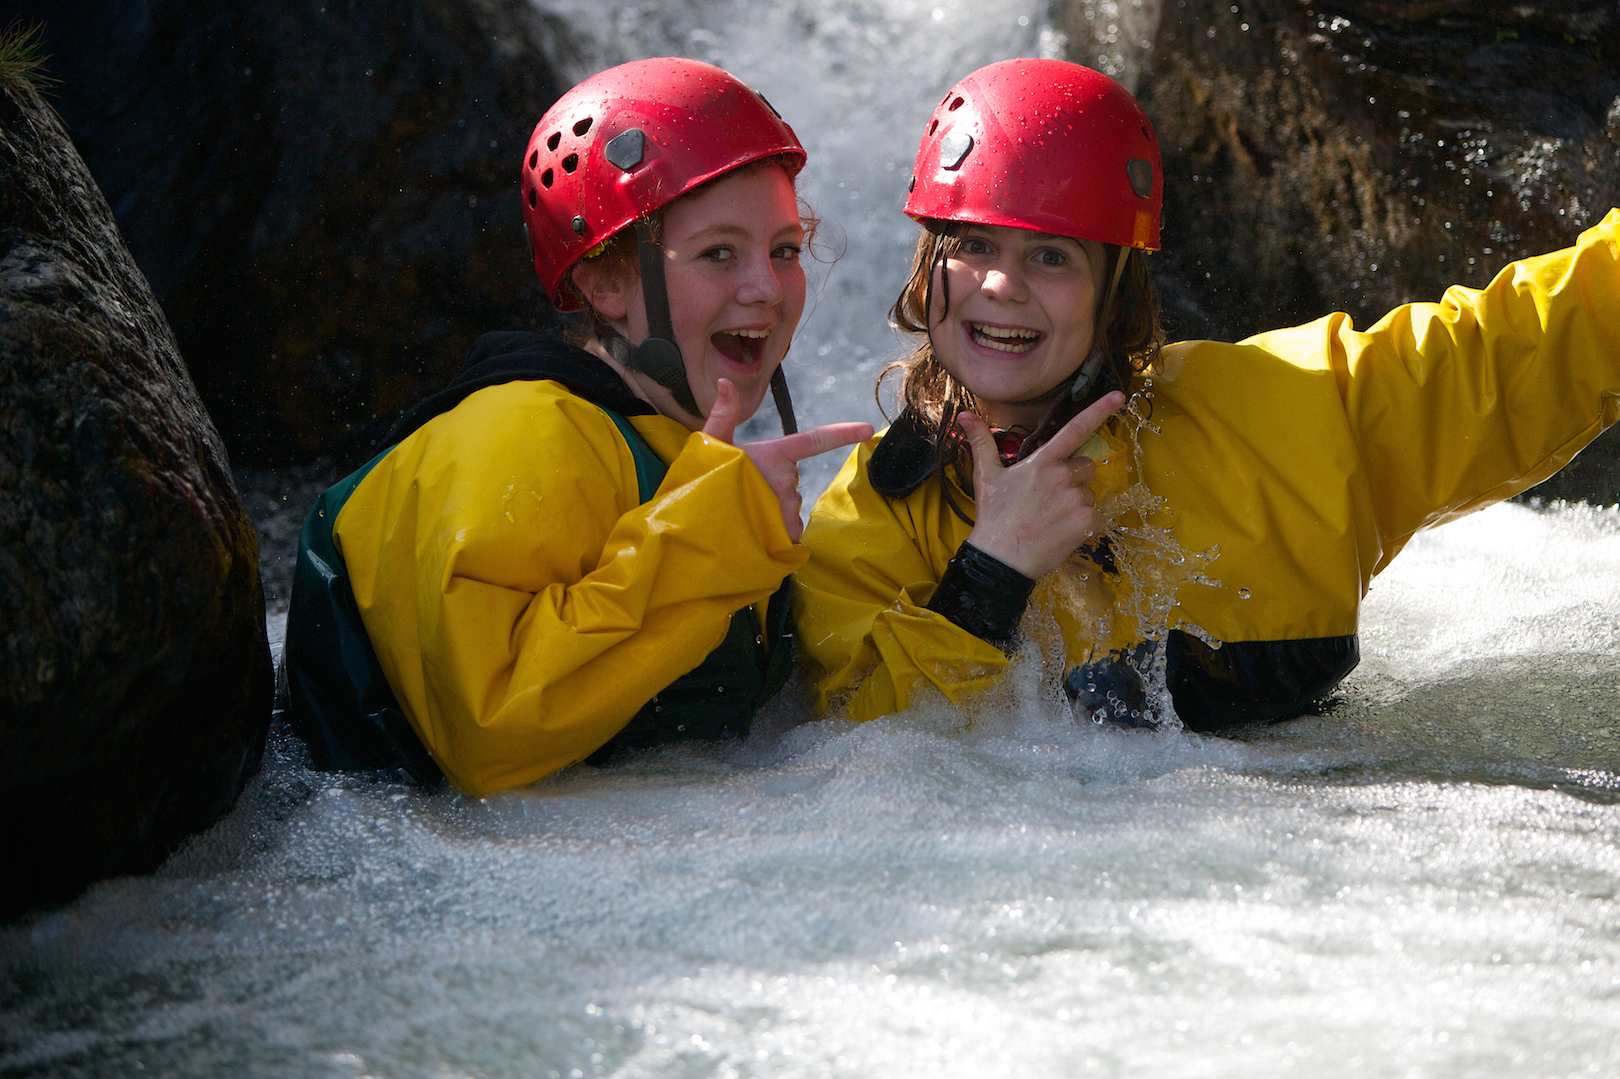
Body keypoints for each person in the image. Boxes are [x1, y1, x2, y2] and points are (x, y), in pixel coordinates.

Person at [794, 57, 1620, 730]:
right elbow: (858, 759)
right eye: (973, 245)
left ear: (1115, 292)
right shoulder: (869, 520)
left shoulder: (1288, 416)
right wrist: (990, 575)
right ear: (926, 267)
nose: (1001, 285)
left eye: (1052, 257)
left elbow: (1526, 347)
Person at [280, 58, 872, 795]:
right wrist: (713, 535)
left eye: (785, 251)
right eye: (720, 253)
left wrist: (987, 575)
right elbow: (486, 732)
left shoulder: (680, 453)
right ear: (605, 280)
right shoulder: (517, 432)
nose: (766, 288)